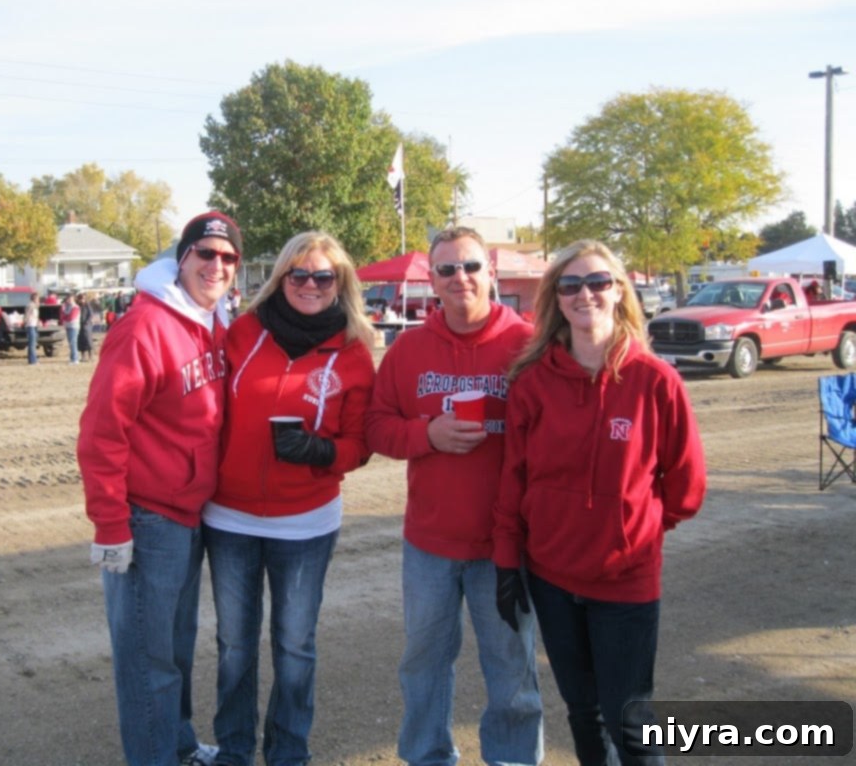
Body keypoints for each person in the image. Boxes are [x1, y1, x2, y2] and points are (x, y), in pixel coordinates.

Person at [493, 240, 707, 766]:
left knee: (629, 720)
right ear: (556, 299)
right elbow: (513, 479)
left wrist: (636, 528)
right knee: (582, 713)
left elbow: (686, 485)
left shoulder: (656, 381)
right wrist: (505, 563)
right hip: (552, 578)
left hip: (626, 581)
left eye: (597, 282)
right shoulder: (533, 382)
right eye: (570, 285)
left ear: (618, 292)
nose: (584, 294)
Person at [365, 226, 543, 766]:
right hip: (430, 543)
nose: (459, 278)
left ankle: (513, 759)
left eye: (469, 266)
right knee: (423, 664)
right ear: (432, 280)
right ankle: (427, 756)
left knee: (511, 667)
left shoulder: (528, 344)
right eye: (446, 269)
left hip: (505, 544)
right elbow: (376, 426)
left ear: (490, 272)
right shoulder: (410, 348)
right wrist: (428, 435)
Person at [202, 231, 376, 766]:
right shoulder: (241, 333)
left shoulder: (353, 352)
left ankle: (288, 753)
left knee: (295, 647)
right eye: (298, 275)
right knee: (234, 647)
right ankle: (234, 750)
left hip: (305, 523)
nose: (309, 285)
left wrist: (320, 451)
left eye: (323, 276)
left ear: (340, 283)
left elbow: (360, 445)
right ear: (280, 279)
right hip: (229, 516)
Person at [77, 210, 243, 766]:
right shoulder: (146, 326)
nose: (215, 266)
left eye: (227, 258)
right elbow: (102, 431)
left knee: (173, 650)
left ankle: (176, 746)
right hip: (147, 519)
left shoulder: (210, 321)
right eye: (205, 254)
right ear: (183, 259)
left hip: (189, 514)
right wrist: (109, 524)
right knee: (148, 661)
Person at [61, 294, 80, 364]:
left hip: (73, 327)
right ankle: (72, 358)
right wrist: (65, 315)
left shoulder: (75, 307)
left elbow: (71, 317)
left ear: (73, 299)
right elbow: (62, 315)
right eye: (67, 299)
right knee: (70, 343)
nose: (68, 300)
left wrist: (65, 317)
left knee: (73, 343)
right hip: (68, 326)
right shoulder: (67, 307)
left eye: (70, 299)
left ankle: (75, 359)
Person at [77, 293, 94, 362]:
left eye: (83, 299)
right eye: (80, 299)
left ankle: (90, 356)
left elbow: (90, 315)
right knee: (81, 341)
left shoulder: (87, 306)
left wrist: (87, 322)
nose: (82, 300)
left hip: (87, 325)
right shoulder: (78, 306)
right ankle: (83, 356)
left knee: (88, 340)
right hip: (79, 325)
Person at [25, 292, 40, 365]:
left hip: (34, 325)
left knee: (33, 343)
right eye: (37, 298)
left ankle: (31, 359)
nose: (38, 300)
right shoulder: (30, 305)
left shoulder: (34, 305)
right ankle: (33, 360)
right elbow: (27, 315)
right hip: (30, 325)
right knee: (32, 343)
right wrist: (25, 322)